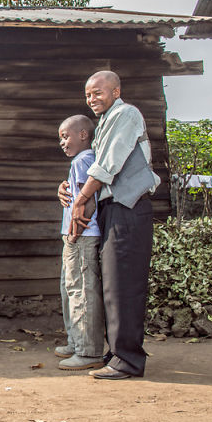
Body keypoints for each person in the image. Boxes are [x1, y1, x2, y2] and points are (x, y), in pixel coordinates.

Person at [59, 71, 159, 380]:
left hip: (130, 208)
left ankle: (127, 360)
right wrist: (68, 189)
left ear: (116, 91)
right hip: (112, 209)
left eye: (98, 92)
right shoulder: (104, 123)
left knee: (124, 287)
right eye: (88, 94)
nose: (92, 99)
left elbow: (108, 164)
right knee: (112, 286)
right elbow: (93, 168)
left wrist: (81, 198)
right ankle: (116, 353)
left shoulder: (126, 114)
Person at [56, 114, 105, 371]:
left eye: (66, 136)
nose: (62, 142)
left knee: (82, 291)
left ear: (83, 135)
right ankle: (76, 342)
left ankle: (89, 351)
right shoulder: (80, 160)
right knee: (70, 288)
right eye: (60, 139)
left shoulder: (85, 159)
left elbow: (88, 200)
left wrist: (75, 232)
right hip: (75, 235)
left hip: (82, 235)